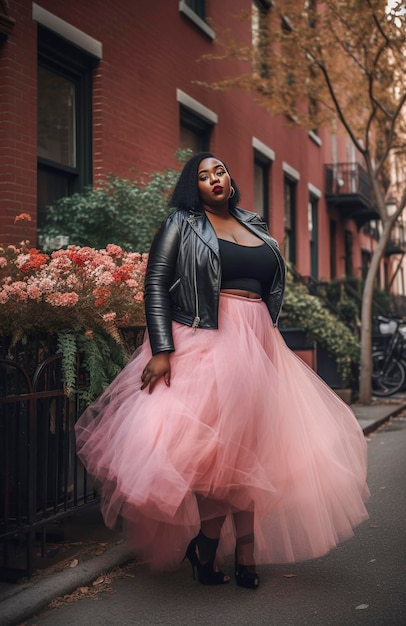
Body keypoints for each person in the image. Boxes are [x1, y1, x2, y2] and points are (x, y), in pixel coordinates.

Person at [75, 152, 369, 589]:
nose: (214, 179)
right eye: (203, 175)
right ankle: (213, 545)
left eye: (220, 171)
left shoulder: (255, 224)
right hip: (205, 340)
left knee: (252, 451)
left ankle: (229, 549)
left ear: (231, 180)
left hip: (258, 343)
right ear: (193, 187)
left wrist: (264, 334)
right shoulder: (182, 223)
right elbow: (156, 282)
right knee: (217, 455)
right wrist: (161, 349)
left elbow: (272, 284)